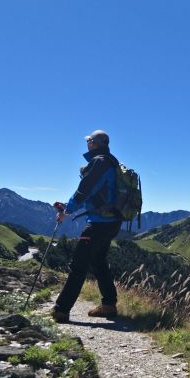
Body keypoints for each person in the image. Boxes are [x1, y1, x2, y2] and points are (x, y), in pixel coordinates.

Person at [50, 130, 122, 323]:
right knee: (97, 261)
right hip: (112, 221)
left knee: (78, 265)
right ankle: (108, 305)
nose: (87, 143)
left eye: (89, 140)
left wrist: (67, 209)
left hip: (99, 223)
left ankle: (61, 310)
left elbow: (84, 190)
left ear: (94, 143)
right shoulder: (111, 161)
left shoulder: (99, 162)